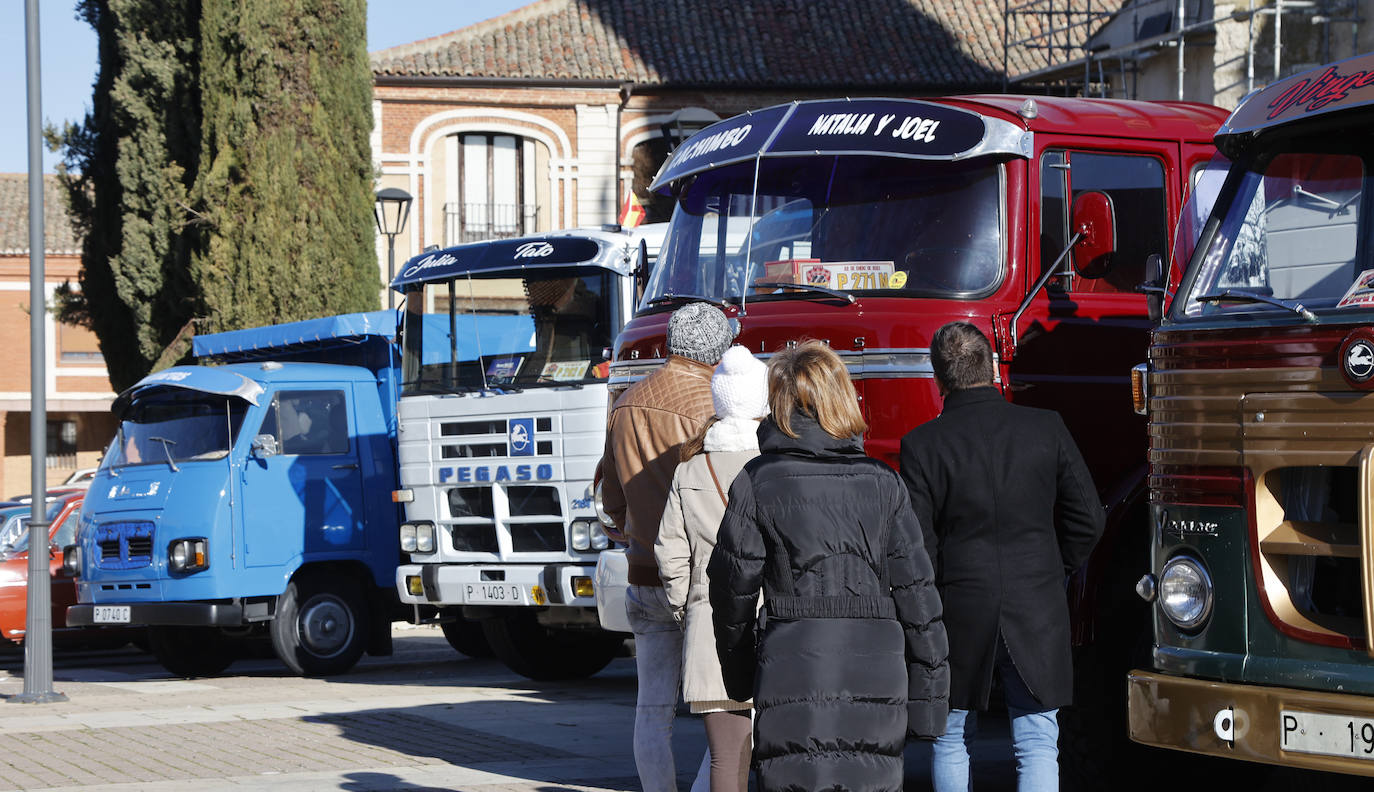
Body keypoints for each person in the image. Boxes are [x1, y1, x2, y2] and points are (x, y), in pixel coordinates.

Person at [709, 339, 949, 791]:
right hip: (877, 667)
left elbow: (730, 590)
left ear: (778, 404)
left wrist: (740, 675)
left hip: (792, 664)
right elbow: (920, 599)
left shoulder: (759, 482)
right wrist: (930, 704)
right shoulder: (884, 483)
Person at [898, 322, 1104, 792]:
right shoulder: (1045, 427)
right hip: (1037, 599)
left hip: (959, 604)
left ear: (939, 379)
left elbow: (919, 546)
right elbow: (1089, 518)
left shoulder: (922, 445)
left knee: (950, 737)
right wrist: (1055, 569)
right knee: (1036, 741)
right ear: (992, 367)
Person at [600, 301, 734, 792]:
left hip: (642, 573)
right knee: (731, 707)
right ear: (719, 349)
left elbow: (609, 494)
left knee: (652, 709)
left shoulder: (627, 401)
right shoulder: (712, 406)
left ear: (669, 343)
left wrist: (633, 529)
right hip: (700, 576)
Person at [655, 346, 768, 792]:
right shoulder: (775, 467)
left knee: (726, 759)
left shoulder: (689, 471)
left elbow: (670, 554)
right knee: (784, 757)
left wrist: (688, 609)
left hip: (710, 627)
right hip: (774, 625)